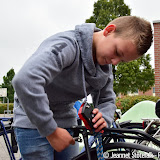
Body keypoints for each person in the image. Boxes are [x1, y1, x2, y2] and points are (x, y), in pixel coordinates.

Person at [12, 16, 153, 160]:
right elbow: (26, 80)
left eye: (122, 61)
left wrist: (103, 116)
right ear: (109, 31)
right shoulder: (67, 45)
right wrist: (51, 131)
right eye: (117, 52)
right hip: (33, 123)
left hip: (67, 123)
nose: (115, 62)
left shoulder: (105, 65)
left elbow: (108, 100)